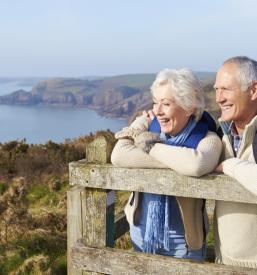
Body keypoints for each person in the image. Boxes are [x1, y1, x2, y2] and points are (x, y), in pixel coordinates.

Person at [111, 68, 222, 260]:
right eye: (155, 103)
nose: (158, 111)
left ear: (189, 107)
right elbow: (119, 155)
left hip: (184, 245)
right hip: (141, 235)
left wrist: (148, 147)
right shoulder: (150, 126)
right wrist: (141, 121)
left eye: (166, 104)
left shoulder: (208, 138)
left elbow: (196, 164)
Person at [214, 56, 257, 267]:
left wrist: (229, 165)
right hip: (223, 260)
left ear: (254, 90)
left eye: (226, 89)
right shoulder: (220, 133)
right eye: (216, 90)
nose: (218, 98)